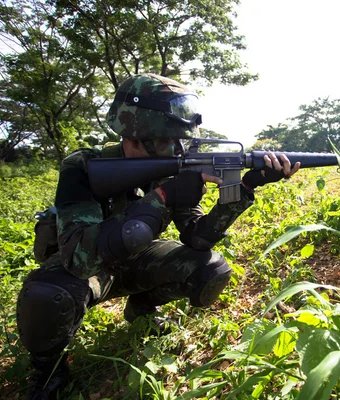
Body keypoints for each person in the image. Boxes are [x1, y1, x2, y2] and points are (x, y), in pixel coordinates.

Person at [16, 73, 300, 399]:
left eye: (180, 142)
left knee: (210, 268)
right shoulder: (83, 166)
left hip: (137, 262)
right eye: (168, 141)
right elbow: (79, 259)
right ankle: (49, 370)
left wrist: (244, 188)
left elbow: (197, 238)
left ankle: (142, 311)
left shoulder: (173, 165)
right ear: (133, 137)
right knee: (44, 295)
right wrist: (163, 197)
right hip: (87, 270)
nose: (177, 150)